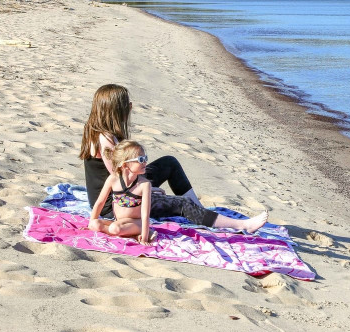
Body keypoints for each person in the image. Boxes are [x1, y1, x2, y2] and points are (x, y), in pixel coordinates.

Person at [80, 84, 268, 232]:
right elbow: (120, 179)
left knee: (169, 162)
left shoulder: (98, 131)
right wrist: (149, 190)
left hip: (123, 190)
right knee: (181, 204)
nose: (130, 107)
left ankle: (200, 211)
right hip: (116, 204)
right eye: (126, 104)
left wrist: (149, 186)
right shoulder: (105, 139)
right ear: (115, 110)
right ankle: (242, 226)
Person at [88, 140, 154, 244]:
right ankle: (129, 233)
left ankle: (146, 232)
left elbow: (145, 214)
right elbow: (100, 202)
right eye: (141, 159)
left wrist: (145, 238)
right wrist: (91, 223)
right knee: (94, 224)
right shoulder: (113, 179)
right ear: (124, 165)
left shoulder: (144, 185)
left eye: (145, 158)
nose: (145, 162)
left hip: (136, 223)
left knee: (115, 228)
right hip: (119, 222)